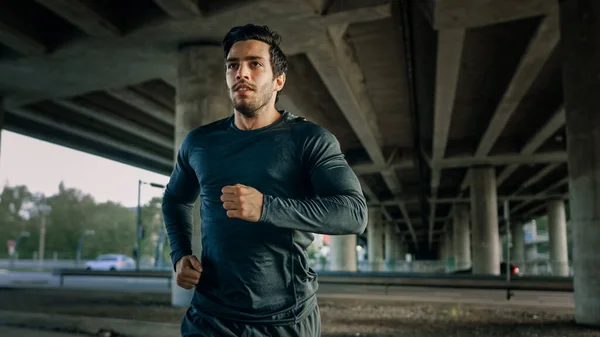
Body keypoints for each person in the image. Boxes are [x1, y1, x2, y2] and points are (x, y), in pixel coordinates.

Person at [162, 23, 368, 337]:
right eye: (233, 65)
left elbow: (353, 214)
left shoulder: (308, 140)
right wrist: (180, 254)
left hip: (284, 320)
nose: (241, 73)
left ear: (278, 80)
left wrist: (267, 208)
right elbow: (175, 199)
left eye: (255, 64)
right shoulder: (199, 142)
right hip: (209, 317)